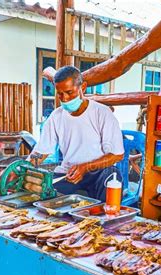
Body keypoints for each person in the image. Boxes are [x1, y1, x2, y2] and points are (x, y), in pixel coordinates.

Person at [29, 66, 124, 201]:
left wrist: (85, 167)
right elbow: (41, 150)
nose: (65, 98)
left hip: (98, 172)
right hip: (68, 173)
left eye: (69, 92)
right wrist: (21, 167)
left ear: (83, 87)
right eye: (60, 94)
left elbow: (117, 155)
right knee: (45, 193)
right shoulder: (56, 116)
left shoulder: (102, 113)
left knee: (112, 175)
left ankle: (104, 219)